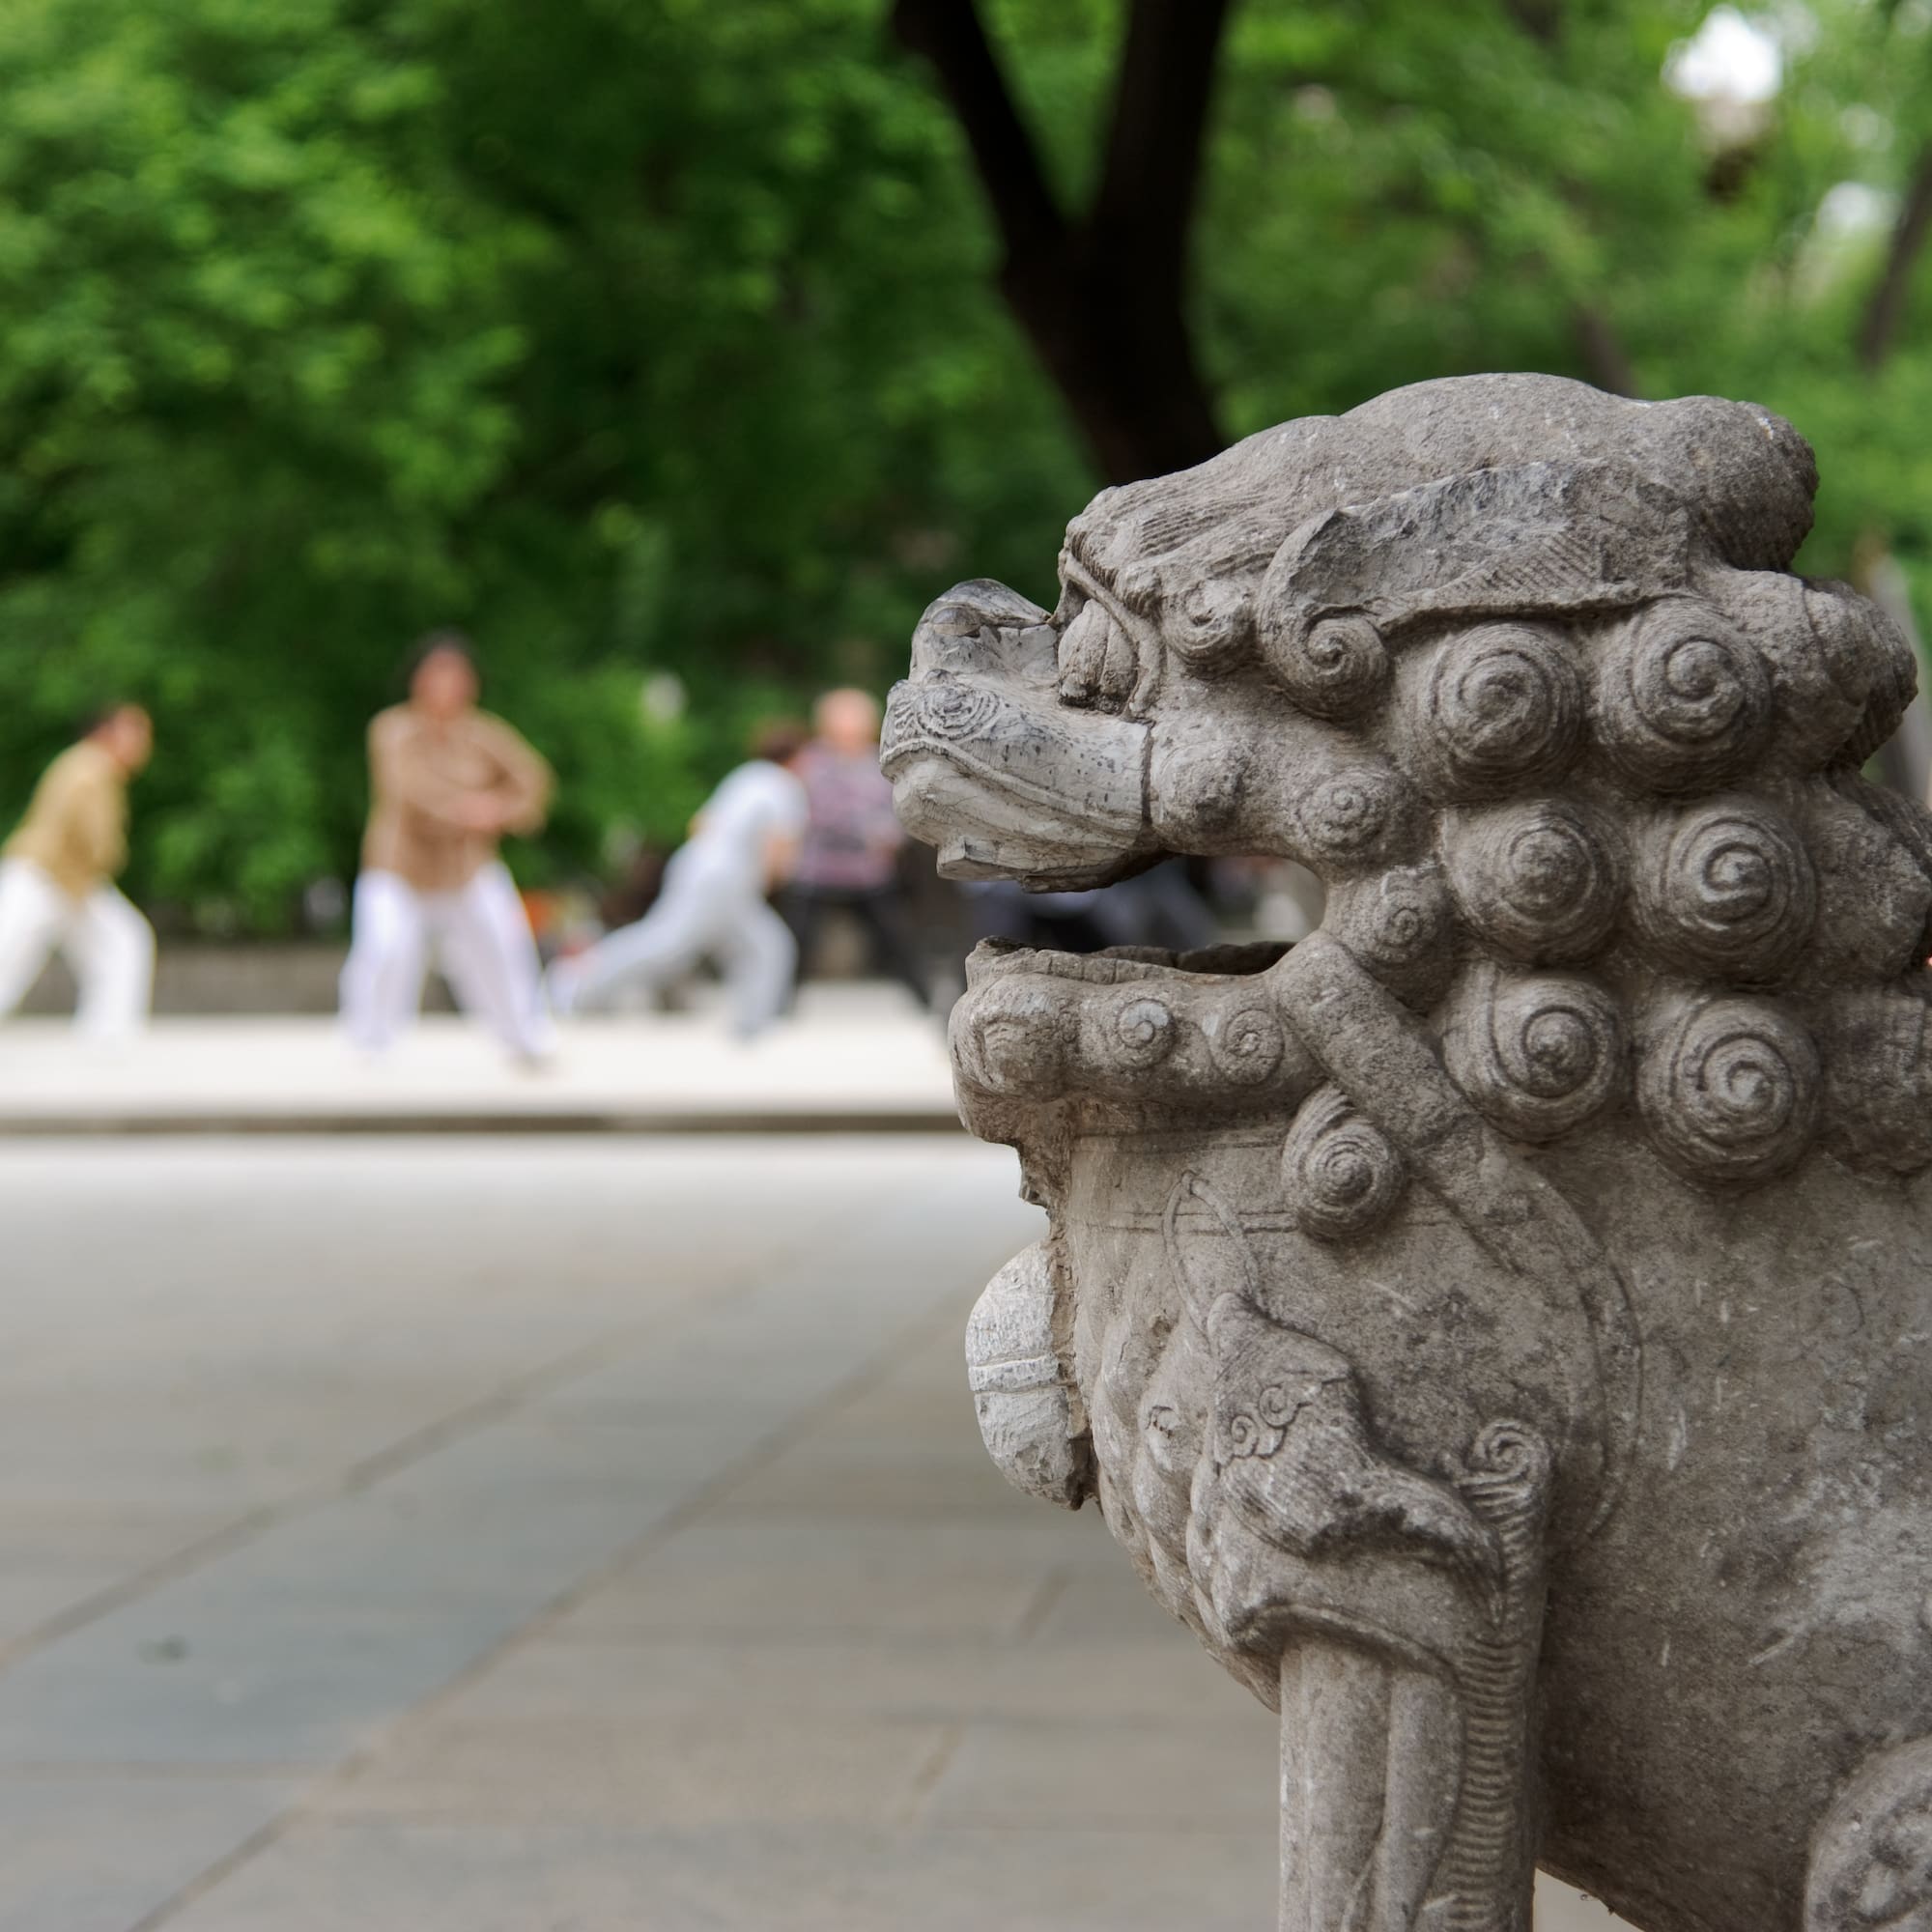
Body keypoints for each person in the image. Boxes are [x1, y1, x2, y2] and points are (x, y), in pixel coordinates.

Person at [339, 632, 554, 1060]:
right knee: (386, 947)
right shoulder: (392, 729)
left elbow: (534, 781)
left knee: (502, 945)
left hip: (466, 868)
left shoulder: (484, 734)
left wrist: (500, 809)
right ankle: (370, 1037)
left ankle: (524, 1034)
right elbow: (407, 792)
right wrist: (467, 810)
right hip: (399, 867)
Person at [547, 722, 810, 1037]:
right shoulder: (784, 786)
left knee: (766, 945)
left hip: (700, 865)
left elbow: (700, 824)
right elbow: (778, 848)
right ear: (795, 757)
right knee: (668, 944)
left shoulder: (746, 776)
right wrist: (769, 878)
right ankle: (576, 982)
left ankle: (753, 1024)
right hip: (724, 880)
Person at [0, 703, 156, 1037]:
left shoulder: (86, 765)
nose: (143, 743)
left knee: (123, 942)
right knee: (7, 955)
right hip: (43, 876)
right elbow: (92, 835)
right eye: (135, 732)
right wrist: (108, 856)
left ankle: (108, 1034)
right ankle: (108, 1033)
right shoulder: (91, 767)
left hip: (71, 882)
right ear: (106, 732)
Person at [781, 687, 935, 1011]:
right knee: (797, 940)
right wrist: (865, 829)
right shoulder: (812, 761)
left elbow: (898, 808)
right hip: (817, 868)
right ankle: (778, 1003)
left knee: (896, 937)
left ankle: (927, 1002)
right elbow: (816, 811)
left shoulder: (878, 761)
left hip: (867, 871)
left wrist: (891, 834)